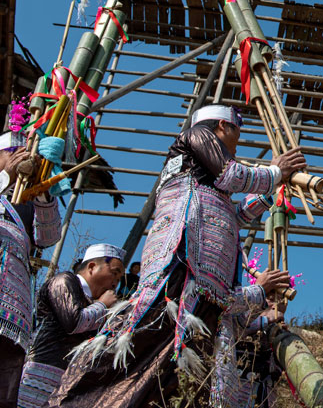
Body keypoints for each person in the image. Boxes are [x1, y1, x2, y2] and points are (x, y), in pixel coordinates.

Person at [52, 105, 304, 408]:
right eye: (238, 131)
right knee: (154, 337)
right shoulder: (196, 135)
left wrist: (269, 192)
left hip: (207, 284)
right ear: (222, 127)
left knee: (184, 362)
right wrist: (275, 171)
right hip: (182, 264)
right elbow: (231, 175)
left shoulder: (208, 180)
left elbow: (229, 216)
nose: (238, 141)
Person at [17, 244, 125, 408]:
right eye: (114, 273)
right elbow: (73, 323)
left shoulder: (95, 305)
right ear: (92, 267)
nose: (115, 283)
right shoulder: (64, 281)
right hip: (39, 372)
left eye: (118, 279)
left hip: (68, 384)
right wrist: (103, 305)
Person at [0, 131, 61, 408]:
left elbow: (48, 237)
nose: (18, 157)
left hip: (13, 313)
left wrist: (43, 188)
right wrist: (6, 179)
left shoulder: (25, 197)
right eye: (12, 151)